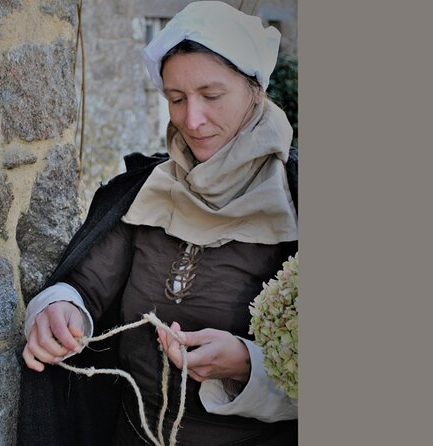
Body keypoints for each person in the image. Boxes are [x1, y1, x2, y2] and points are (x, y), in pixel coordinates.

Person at [19, 2, 298, 445]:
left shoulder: (297, 200)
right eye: (176, 98)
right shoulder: (144, 189)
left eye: (211, 95)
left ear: (255, 90)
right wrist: (60, 309)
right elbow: (87, 286)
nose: (192, 120)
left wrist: (249, 363)